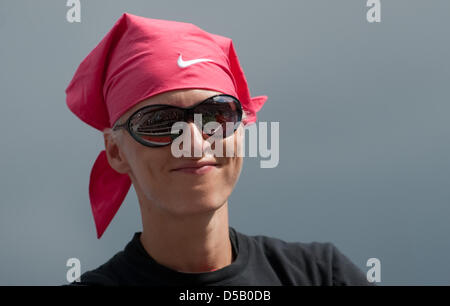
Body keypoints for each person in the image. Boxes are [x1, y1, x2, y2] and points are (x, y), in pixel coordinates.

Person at [65, 12, 374, 286]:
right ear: (116, 152)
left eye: (215, 115)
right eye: (160, 122)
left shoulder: (321, 276)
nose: (194, 142)